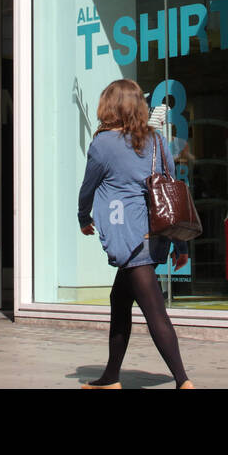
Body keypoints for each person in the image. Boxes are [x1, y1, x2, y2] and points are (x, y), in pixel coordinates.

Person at [77, 78, 193, 389]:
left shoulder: (102, 144)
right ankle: (111, 377)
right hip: (155, 233)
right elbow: (171, 189)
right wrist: (181, 245)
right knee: (119, 299)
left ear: (110, 106)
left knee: (154, 310)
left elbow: (88, 187)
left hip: (130, 236)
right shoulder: (155, 140)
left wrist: (82, 217)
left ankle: (183, 380)